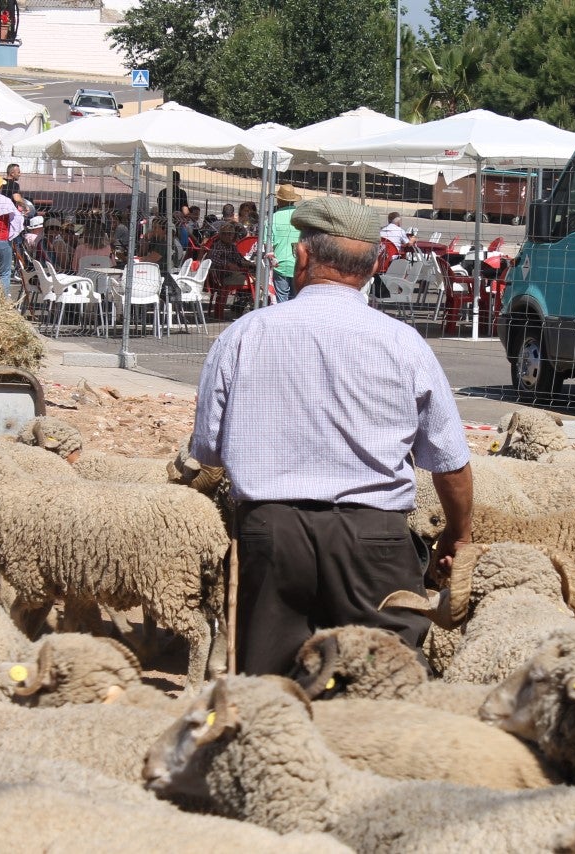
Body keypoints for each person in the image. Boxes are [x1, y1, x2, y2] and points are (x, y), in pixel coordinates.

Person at [191, 196, 473, 676]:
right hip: (373, 538)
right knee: (386, 681)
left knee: (270, 687)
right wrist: (457, 534)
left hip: (272, 532)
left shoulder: (244, 335)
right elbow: (449, 461)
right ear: (376, 265)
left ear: (301, 256)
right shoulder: (403, 343)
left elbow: (209, 450)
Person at [269, 184, 300, 303]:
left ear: (279, 200)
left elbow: (268, 243)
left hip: (279, 264)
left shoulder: (273, 218)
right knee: (296, 298)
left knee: (282, 299)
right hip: (299, 263)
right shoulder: (301, 217)